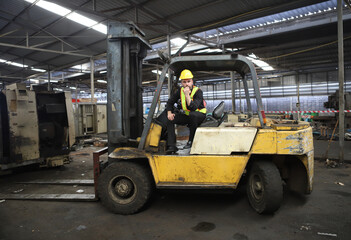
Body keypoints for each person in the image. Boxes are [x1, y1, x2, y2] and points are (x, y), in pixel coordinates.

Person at [157, 69, 206, 154]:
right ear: (181, 83)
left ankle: (191, 141)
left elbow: (193, 107)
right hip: (188, 116)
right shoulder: (180, 91)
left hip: (199, 115)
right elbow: (170, 102)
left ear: (192, 81)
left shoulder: (198, 92)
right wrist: (169, 113)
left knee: (193, 115)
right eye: (184, 82)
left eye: (188, 81)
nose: (186, 84)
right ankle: (172, 145)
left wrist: (187, 95)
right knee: (170, 119)